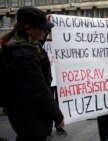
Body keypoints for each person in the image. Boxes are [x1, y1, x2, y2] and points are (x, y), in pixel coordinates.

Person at [0, 6, 64, 141]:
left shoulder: (25, 44)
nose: (46, 31)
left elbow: (39, 40)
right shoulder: (24, 56)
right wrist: (57, 115)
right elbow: (39, 90)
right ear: (28, 29)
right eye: (42, 28)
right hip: (30, 118)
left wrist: (46, 24)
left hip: (27, 115)